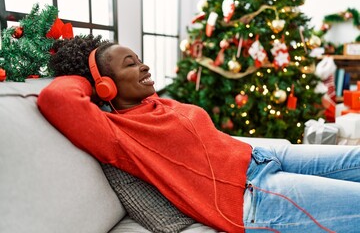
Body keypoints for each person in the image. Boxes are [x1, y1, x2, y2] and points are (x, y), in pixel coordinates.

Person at [37, 35, 360, 233]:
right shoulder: (116, 132)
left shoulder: (156, 104)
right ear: (106, 85)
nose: (144, 67)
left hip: (262, 157)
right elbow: (56, 99)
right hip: (253, 193)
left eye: (139, 59)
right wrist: (86, 78)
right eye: (130, 64)